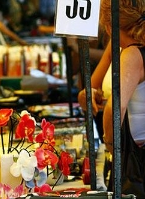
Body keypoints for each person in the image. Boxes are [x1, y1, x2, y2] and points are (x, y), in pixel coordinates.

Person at [77, 0, 145, 196]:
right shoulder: (119, 45)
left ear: (107, 24)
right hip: (127, 152)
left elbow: (114, 109)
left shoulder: (133, 53)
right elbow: (92, 88)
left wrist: (110, 146)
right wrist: (88, 95)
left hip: (135, 159)